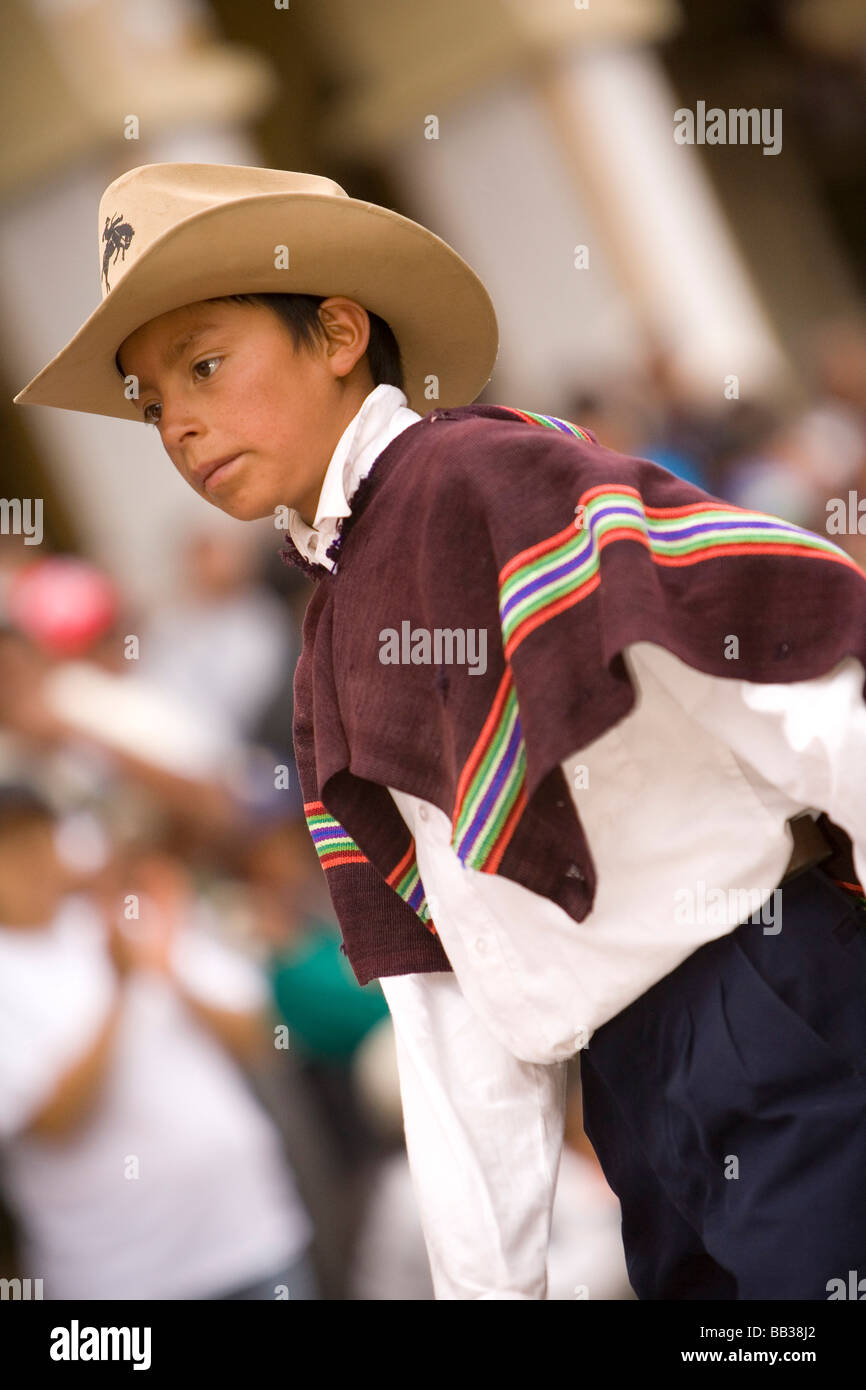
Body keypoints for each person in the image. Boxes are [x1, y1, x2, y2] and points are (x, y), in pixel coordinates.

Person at [13, 162, 866, 1301]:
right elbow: (443, 992)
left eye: (205, 364)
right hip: (627, 1090)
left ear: (336, 332)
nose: (176, 419)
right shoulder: (326, 646)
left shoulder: (481, 475)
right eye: (151, 396)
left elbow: (794, 669)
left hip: (766, 999)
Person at [0, 782, 317, 1300]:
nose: (30, 863)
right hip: (125, 1281)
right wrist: (119, 991)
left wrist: (167, 966)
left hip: (255, 1237)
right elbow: (50, 1121)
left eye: (37, 840)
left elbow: (260, 1035)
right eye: (10, 850)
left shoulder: (120, 916)